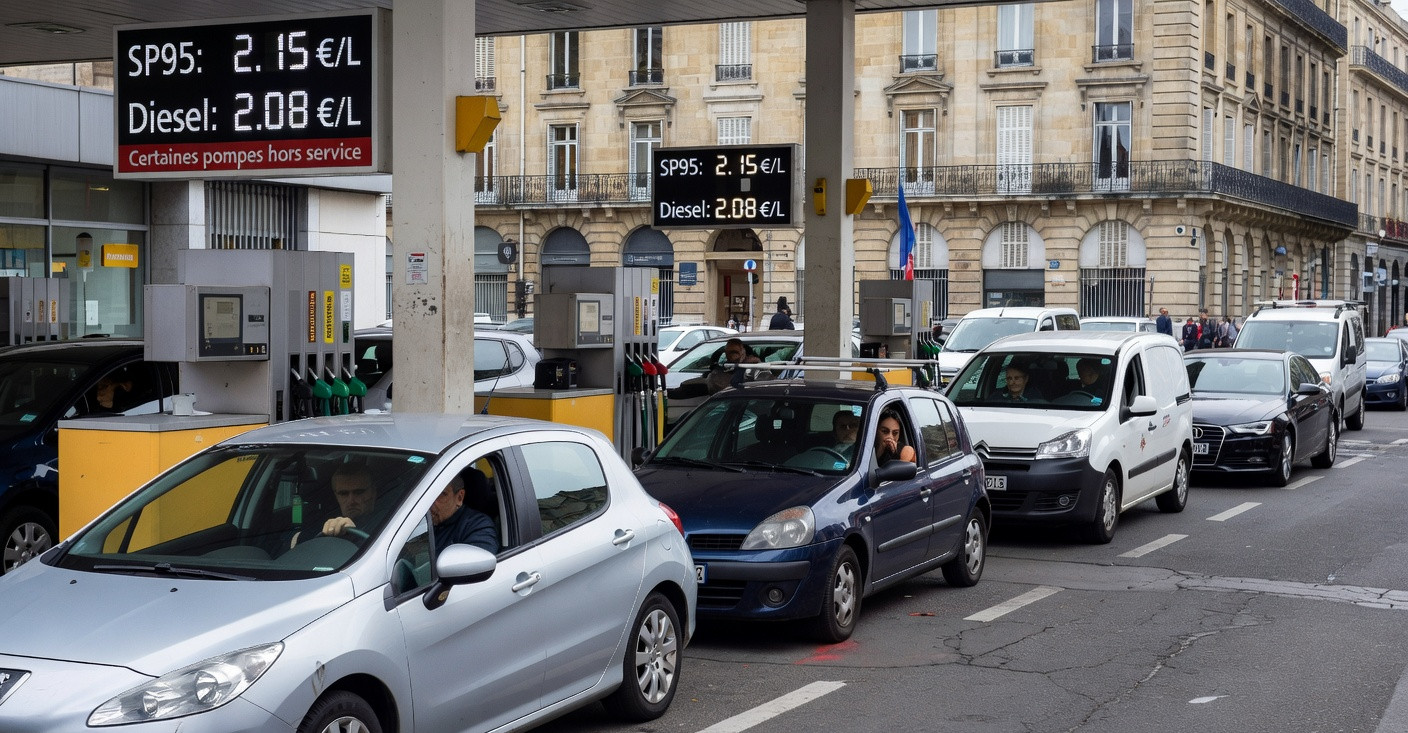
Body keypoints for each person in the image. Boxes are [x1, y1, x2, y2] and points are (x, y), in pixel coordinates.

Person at [292, 464, 382, 547]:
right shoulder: (322, 523)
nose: (351, 501)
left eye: (358, 492)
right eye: (343, 494)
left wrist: (355, 536)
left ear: (373, 492)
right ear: (336, 496)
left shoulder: (390, 523)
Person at [430, 474, 498, 554]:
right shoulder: (424, 519)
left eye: (441, 494)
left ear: (459, 497)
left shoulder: (478, 526)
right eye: (429, 494)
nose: (430, 502)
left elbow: (480, 560)